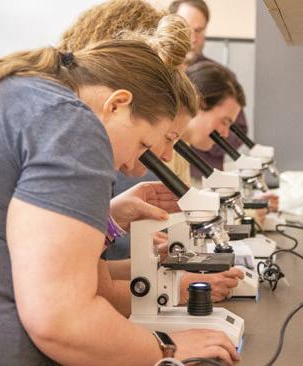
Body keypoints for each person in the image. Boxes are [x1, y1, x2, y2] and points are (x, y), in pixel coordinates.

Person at [0, 32, 239, 366]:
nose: (133, 167)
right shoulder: (72, 125)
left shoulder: (14, 92)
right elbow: (62, 321)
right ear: (116, 104)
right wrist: (168, 349)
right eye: (144, 145)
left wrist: (106, 218)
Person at [59, 0, 246, 303]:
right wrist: (162, 344)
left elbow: (86, 272)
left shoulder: (73, 127)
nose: (163, 156)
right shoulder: (73, 146)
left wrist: (113, 220)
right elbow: (72, 302)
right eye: (150, 143)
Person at [169, 0, 250, 179]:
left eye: (198, 31)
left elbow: (238, 129)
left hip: (203, 175)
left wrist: (206, 139)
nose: (191, 38)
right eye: (185, 28)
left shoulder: (222, 79)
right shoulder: (156, 77)